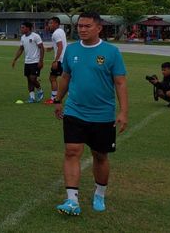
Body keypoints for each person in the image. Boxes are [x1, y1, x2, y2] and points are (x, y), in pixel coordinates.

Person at [53, 12, 128, 216]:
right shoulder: (72, 50)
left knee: (100, 155)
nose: (82, 29)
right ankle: (71, 201)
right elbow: (66, 76)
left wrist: (123, 112)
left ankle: (100, 194)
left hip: (103, 115)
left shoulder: (111, 52)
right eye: (80, 26)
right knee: (71, 151)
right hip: (75, 111)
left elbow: (120, 82)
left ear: (98, 28)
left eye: (87, 26)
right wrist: (58, 100)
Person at [11, 21, 45, 103]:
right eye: (21, 27)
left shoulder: (35, 36)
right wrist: (15, 59)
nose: (21, 29)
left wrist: (41, 60)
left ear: (28, 28)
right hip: (27, 62)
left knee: (33, 78)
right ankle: (32, 97)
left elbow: (42, 48)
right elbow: (21, 49)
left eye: (23, 27)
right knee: (29, 80)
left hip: (35, 61)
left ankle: (40, 90)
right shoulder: (23, 38)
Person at [45, 17, 68, 104]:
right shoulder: (61, 31)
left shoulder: (55, 34)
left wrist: (56, 60)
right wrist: (52, 47)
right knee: (66, 78)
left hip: (60, 60)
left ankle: (54, 98)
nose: (49, 25)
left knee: (53, 78)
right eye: (49, 23)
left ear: (57, 24)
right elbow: (61, 43)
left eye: (51, 23)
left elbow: (60, 46)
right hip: (65, 59)